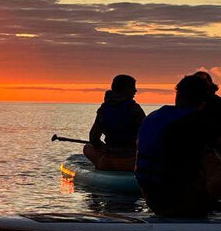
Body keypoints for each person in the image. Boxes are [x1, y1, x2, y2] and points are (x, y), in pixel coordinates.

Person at [135, 74, 216, 217]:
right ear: (204, 103)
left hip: (152, 200)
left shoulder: (153, 117)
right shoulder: (198, 122)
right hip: (186, 203)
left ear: (177, 97)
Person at [84, 74, 145, 171]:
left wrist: (106, 149)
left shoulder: (103, 110)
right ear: (124, 90)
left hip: (108, 161)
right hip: (132, 162)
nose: (135, 91)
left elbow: (93, 138)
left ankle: (102, 165)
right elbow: (146, 135)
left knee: (87, 148)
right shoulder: (135, 109)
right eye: (132, 87)